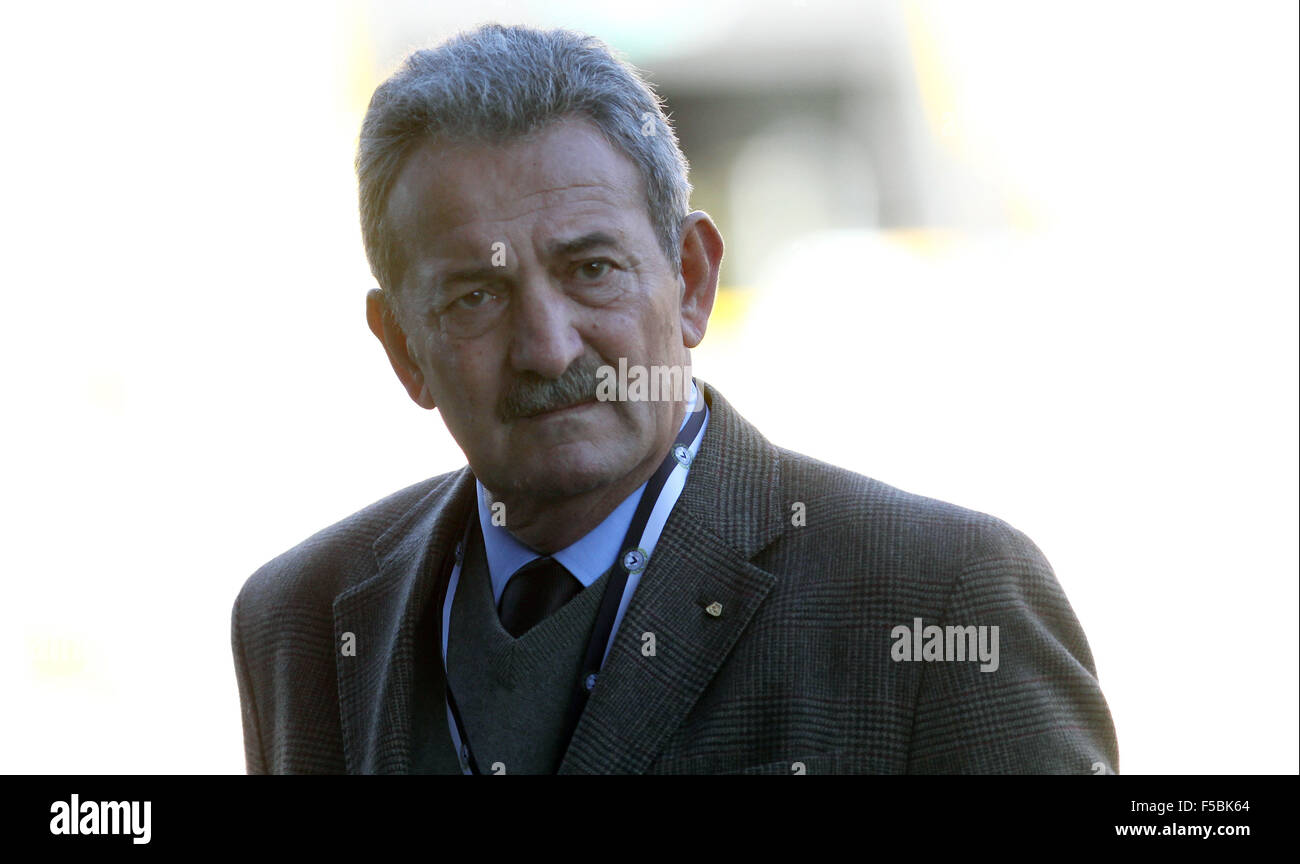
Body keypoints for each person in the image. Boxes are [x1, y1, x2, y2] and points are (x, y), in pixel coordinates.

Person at [231, 23, 1119, 774]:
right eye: (475, 296)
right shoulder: (299, 622)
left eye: (591, 270)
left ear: (691, 281)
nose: (548, 346)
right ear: (402, 349)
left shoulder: (940, 597)